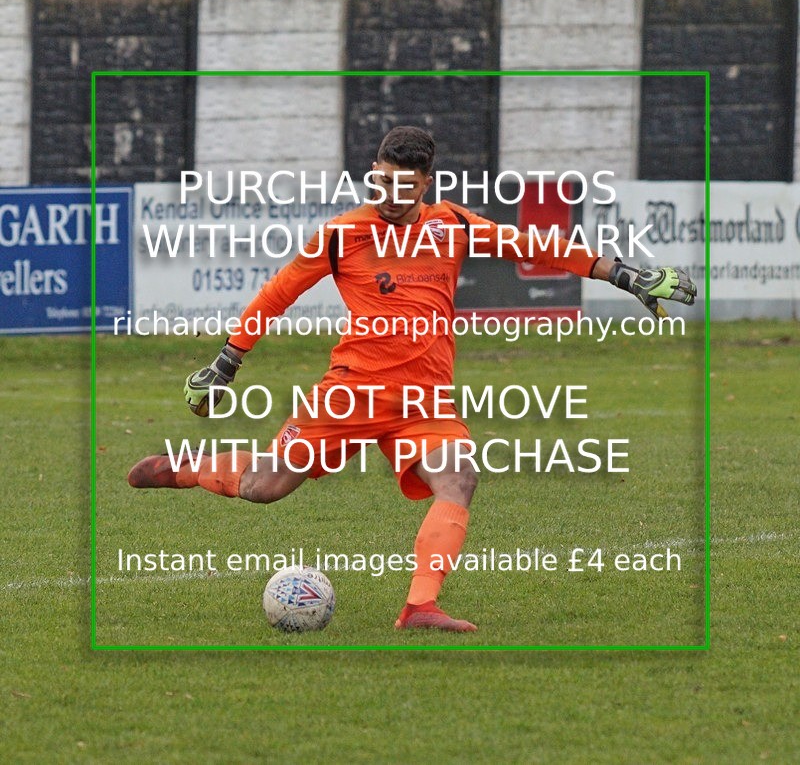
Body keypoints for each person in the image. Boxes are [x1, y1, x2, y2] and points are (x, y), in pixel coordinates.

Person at [128, 126, 696, 632]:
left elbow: (538, 248)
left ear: (426, 183)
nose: (389, 195)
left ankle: (420, 606)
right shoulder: (342, 235)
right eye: (381, 181)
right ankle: (188, 468)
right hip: (352, 392)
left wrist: (623, 274)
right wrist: (227, 362)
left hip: (424, 401)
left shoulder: (453, 224)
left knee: (459, 479)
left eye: (403, 185)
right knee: (264, 488)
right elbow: (277, 295)